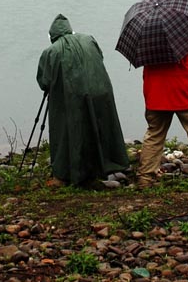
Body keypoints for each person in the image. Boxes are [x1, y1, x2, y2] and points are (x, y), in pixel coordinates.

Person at [36, 14, 129, 186]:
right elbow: (99, 58)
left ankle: (71, 172)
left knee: (70, 131)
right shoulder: (89, 39)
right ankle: (108, 164)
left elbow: (44, 82)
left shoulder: (51, 51)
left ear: (52, 36)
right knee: (100, 126)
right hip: (102, 91)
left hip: (73, 97)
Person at [136, 40, 188, 186]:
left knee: (154, 135)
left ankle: (145, 177)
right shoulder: (182, 33)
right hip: (185, 92)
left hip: (156, 94)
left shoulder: (147, 40)